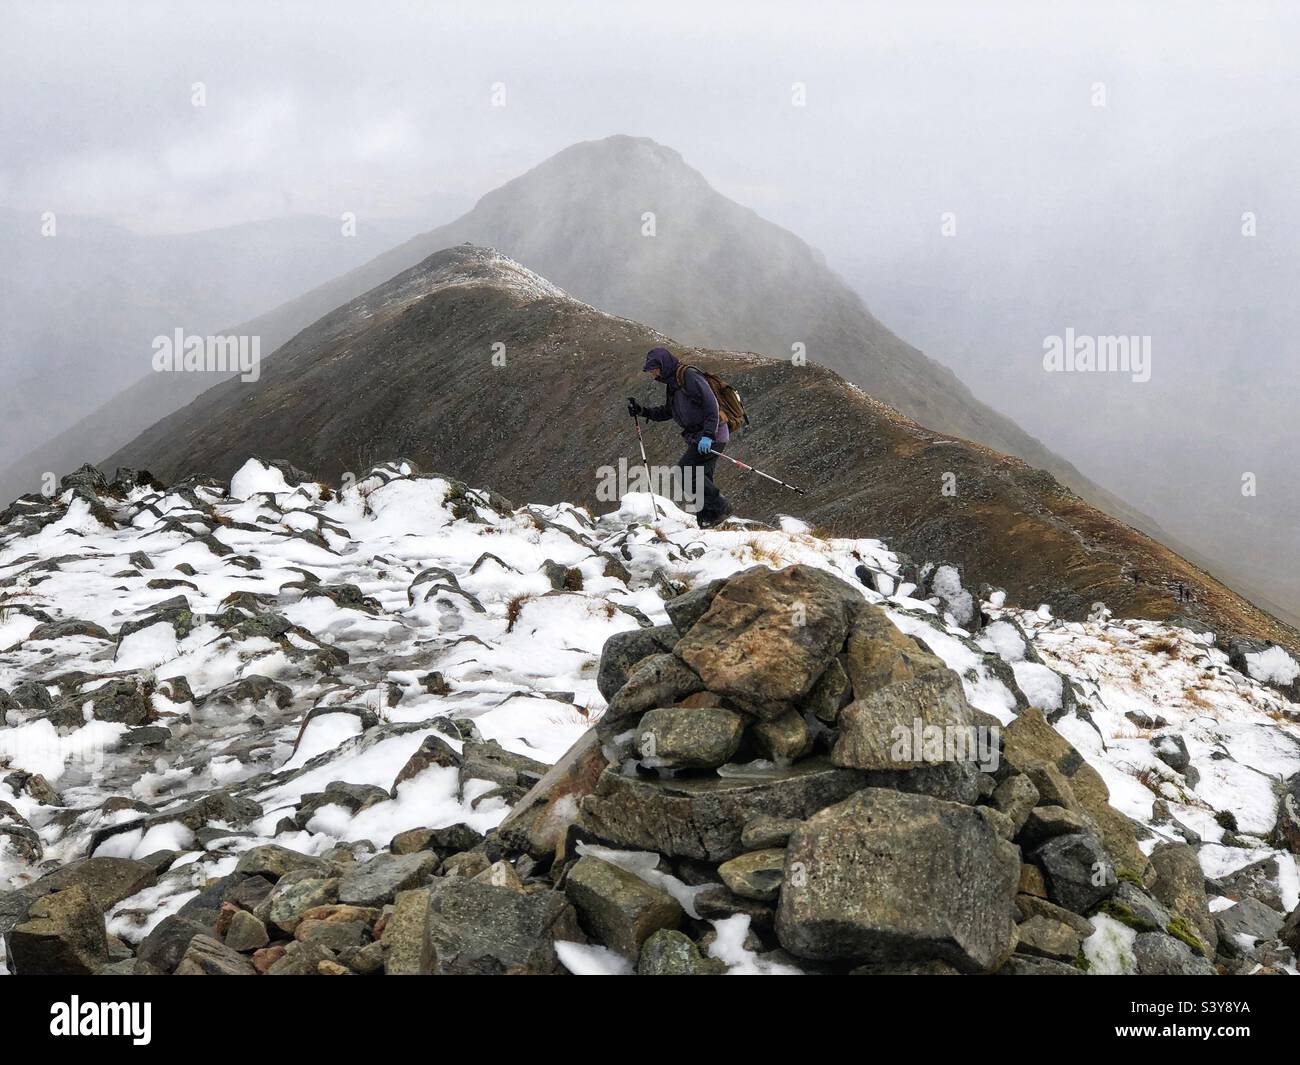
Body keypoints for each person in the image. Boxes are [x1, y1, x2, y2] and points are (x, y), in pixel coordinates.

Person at [628, 346, 732, 527]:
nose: (653, 374)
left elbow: (711, 405)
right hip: (700, 437)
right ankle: (709, 520)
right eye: (651, 371)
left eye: (655, 369)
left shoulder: (688, 376)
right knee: (701, 477)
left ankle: (721, 507)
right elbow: (668, 411)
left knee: (684, 471)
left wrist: (708, 435)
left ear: (664, 364)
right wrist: (642, 411)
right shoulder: (673, 384)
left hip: (713, 435)